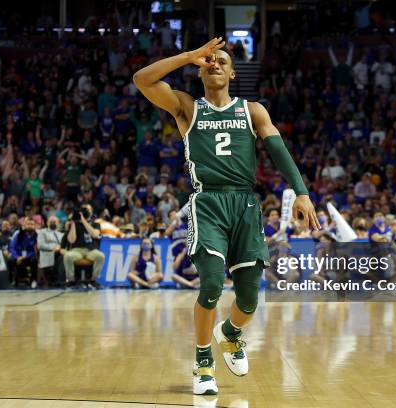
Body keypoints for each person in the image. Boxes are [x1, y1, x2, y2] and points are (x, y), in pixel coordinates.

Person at [134, 37, 320, 395]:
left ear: (233, 73)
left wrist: (302, 192)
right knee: (212, 285)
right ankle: (203, 361)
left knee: (250, 297)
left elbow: (279, 151)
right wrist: (189, 55)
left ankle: (231, 334)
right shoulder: (187, 108)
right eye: (209, 61)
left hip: (245, 205)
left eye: (221, 61)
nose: (214, 64)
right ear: (201, 69)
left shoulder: (253, 111)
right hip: (208, 203)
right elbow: (142, 79)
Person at [62, 204, 105, 289]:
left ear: (91, 212)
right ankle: (71, 281)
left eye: (88, 210)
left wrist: (83, 220)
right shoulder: (75, 224)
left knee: (100, 256)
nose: (85, 212)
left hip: (91, 250)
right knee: (68, 256)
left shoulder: (96, 224)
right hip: (77, 250)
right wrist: (74, 222)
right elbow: (71, 240)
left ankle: (93, 280)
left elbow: (94, 234)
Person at [8, 217, 39, 288]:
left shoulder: (36, 236)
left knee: (34, 260)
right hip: (18, 255)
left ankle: (33, 280)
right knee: (10, 260)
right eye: (28, 224)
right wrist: (17, 257)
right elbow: (12, 247)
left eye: (32, 224)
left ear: (35, 226)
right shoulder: (18, 234)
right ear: (25, 225)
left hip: (29, 256)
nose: (30, 226)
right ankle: (11, 281)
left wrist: (25, 257)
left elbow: (35, 251)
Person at [37, 215, 64, 287]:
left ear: (58, 223)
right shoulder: (42, 232)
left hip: (60, 253)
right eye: (50, 221)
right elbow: (40, 245)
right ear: (47, 223)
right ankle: (58, 279)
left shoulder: (62, 234)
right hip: (48, 253)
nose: (53, 223)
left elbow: (64, 245)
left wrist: (60, 248)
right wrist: (53, 247)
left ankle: (62, 279)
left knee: (63, 256)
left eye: (54, 221)